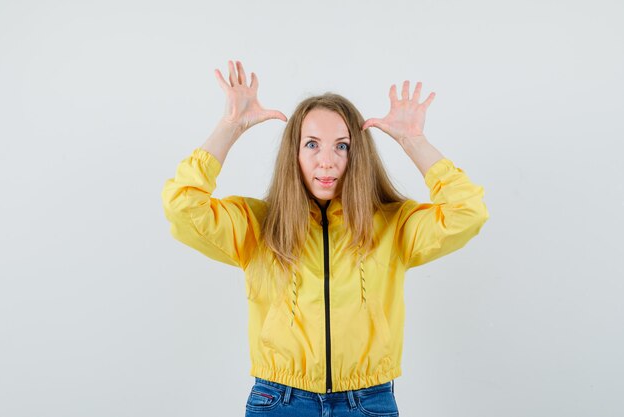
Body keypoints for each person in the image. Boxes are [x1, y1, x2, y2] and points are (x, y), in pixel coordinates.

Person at [161, 60, 489, 416]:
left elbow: (468, 212)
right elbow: (182, 207)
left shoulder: (394, 225)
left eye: (342, 146)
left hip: (367, 402)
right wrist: (229, 127)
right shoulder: (257, 225)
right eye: (313, 144)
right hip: (278, 401)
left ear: (357, 153)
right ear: (295, 152)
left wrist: (414, 142)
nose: (327, 161)